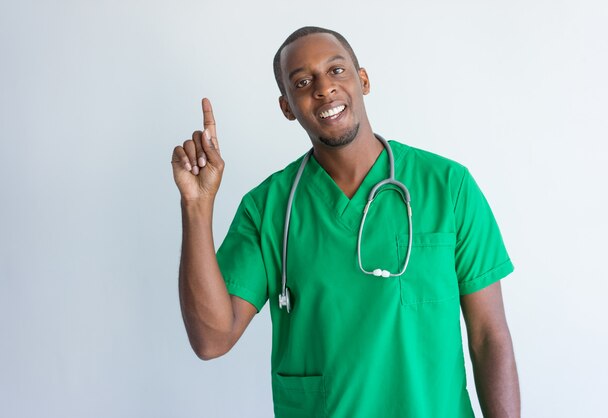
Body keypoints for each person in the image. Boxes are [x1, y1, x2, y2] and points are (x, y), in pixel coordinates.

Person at [171, 26, 520, 418]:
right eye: (303, 82)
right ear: (287, 106)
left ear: (363, 80)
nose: (323, 88)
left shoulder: (448, 186)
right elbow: (211, 339)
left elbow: (490, 337)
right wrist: (197, 205)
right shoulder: (268, 208)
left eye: (336, 70)